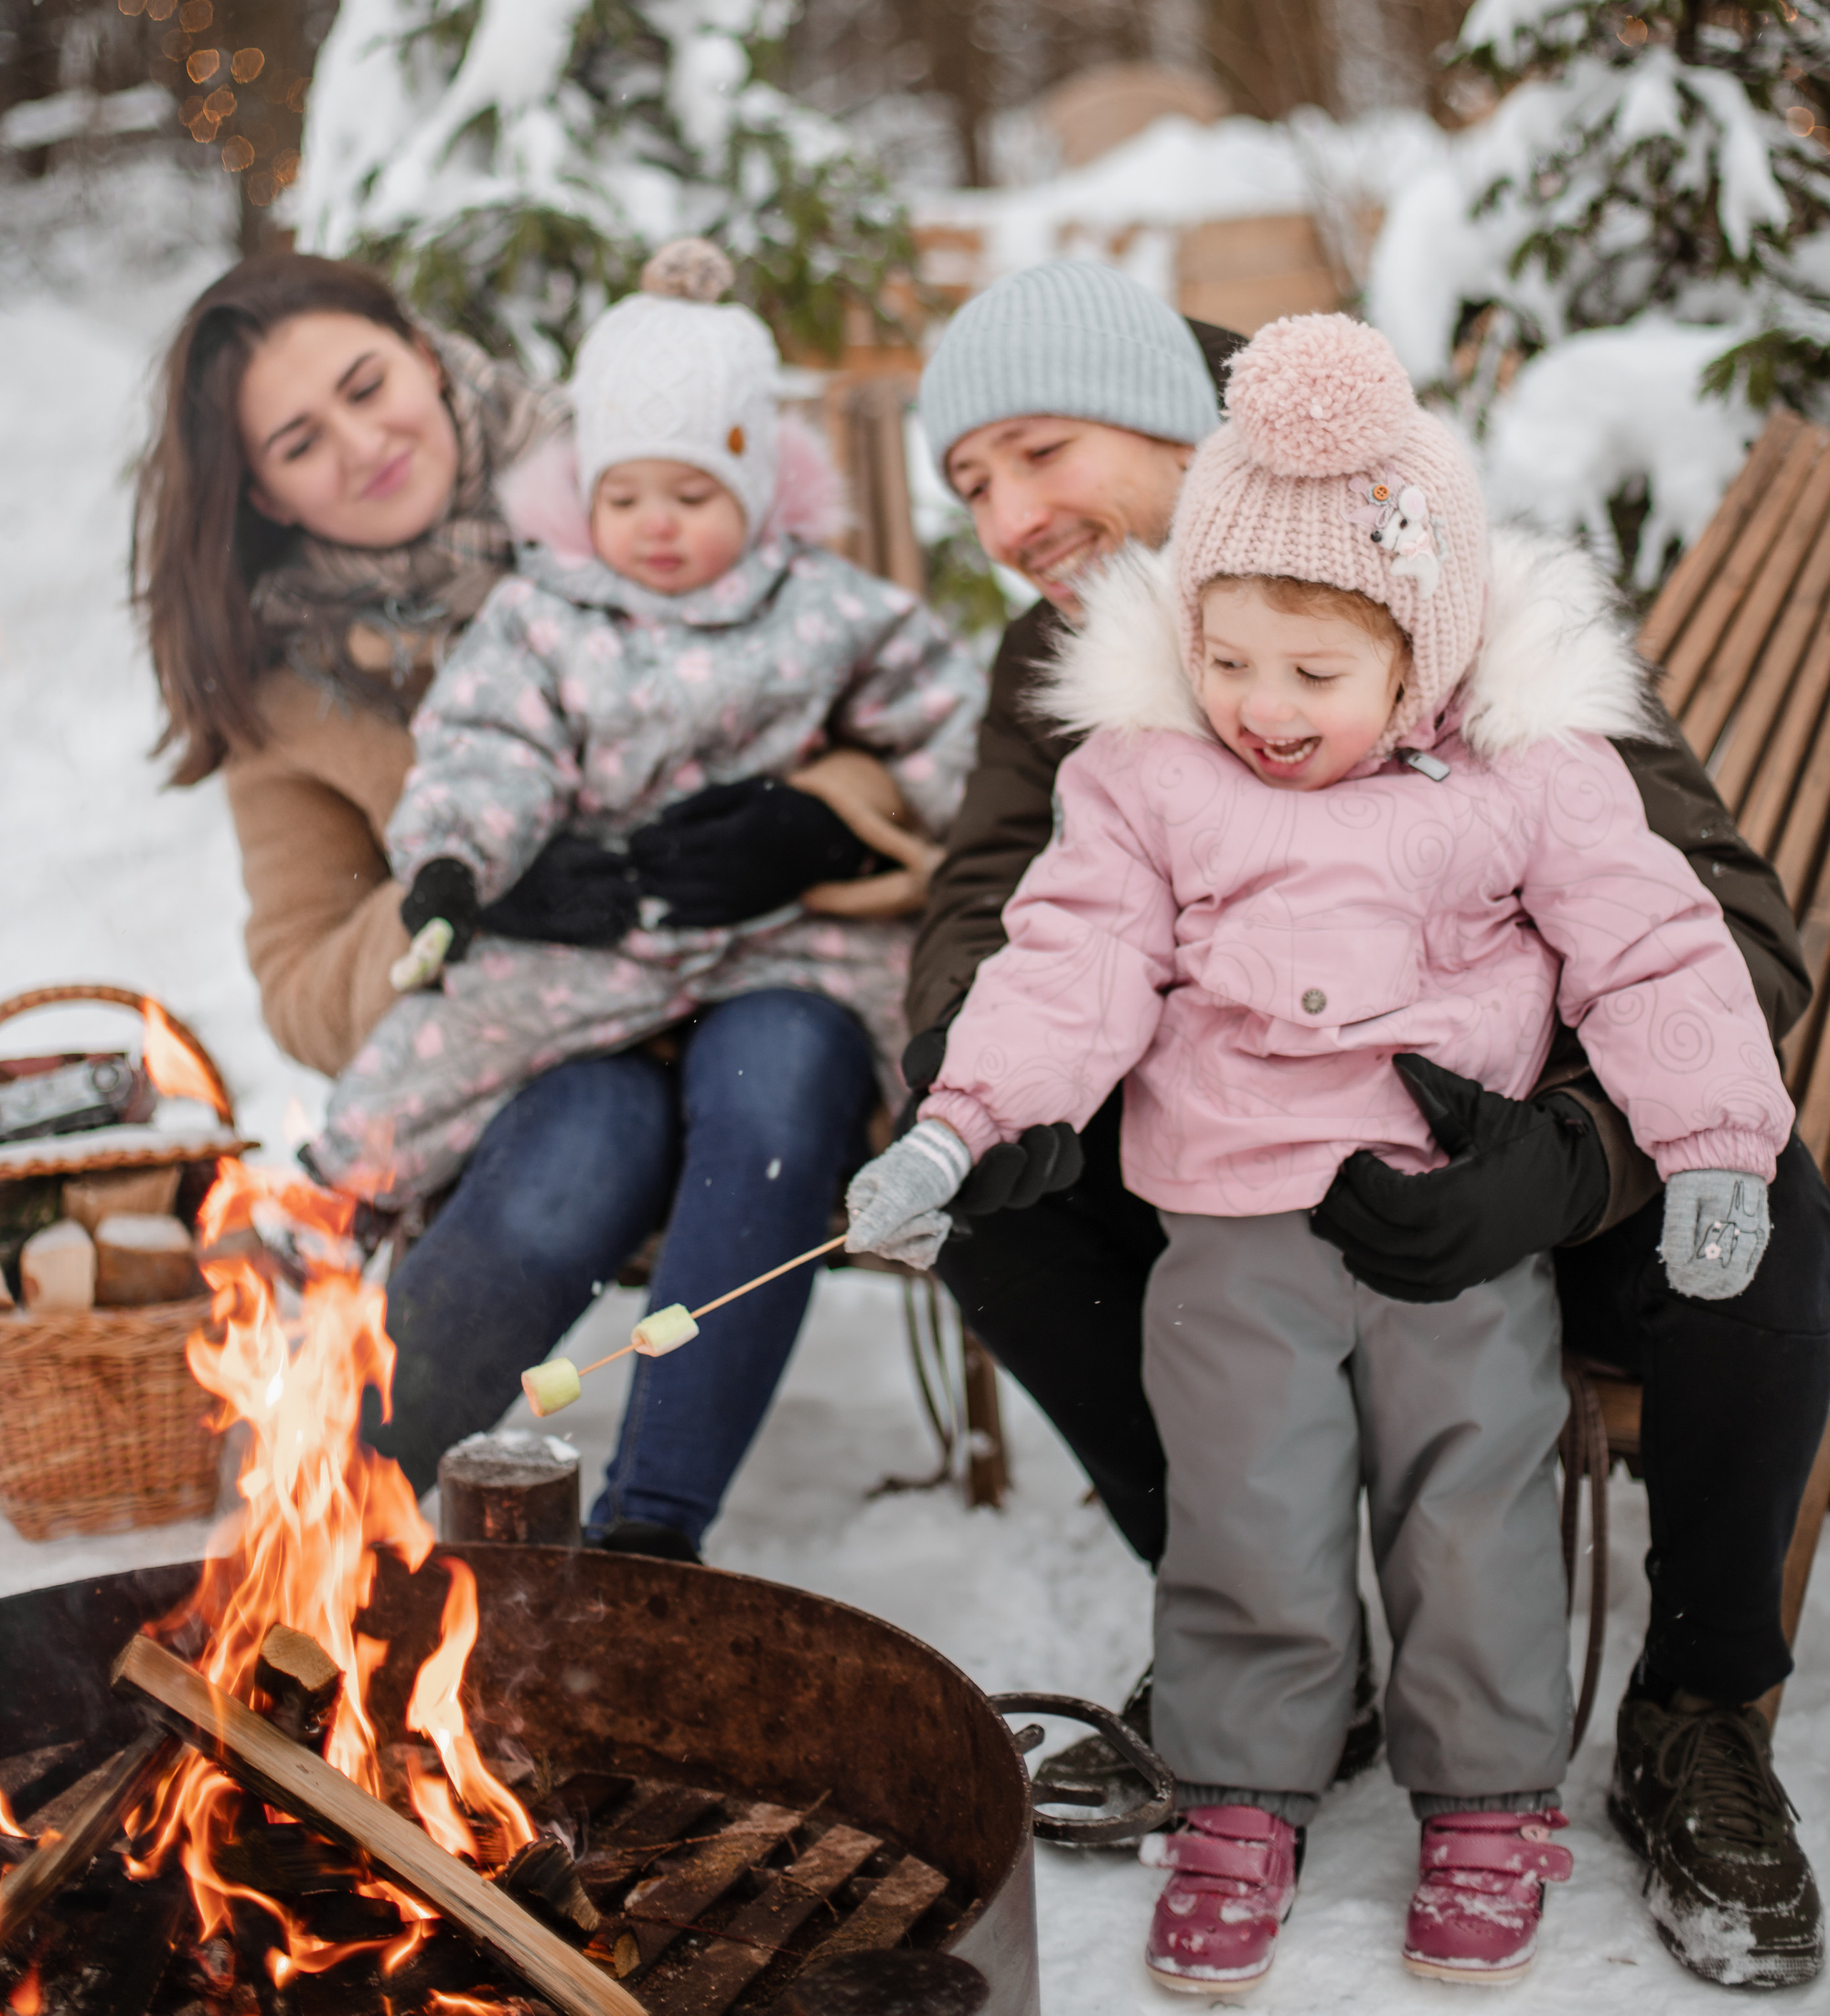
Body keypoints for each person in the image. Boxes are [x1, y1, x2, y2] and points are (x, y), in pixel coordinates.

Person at [898, 258, 1830, 1991]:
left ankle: (1695, 1714)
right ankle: (1270, 1677)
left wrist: (1569, 1157)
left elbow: (1702, 936)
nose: (1010, 520)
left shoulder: (1470, 615)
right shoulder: (1088, 666)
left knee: (1758, 1198)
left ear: (1178, 426)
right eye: (969, 485)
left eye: (1040, 452)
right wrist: (984, 1081)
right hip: (1236, 1178)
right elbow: (1005, 900)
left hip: (1499, 1157)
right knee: (1003, 1209)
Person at [132, 245, 969, 1552]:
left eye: (366, 384)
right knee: (578, 1150)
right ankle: (332, 1521)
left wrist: (812, 820)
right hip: (547, 1033)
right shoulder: (285, 689)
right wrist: (467, 898)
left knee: (778, 1078)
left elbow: (893, 702)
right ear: (259, 489)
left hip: (781, 966)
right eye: (300, 441)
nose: (361, 444)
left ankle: (652, 1544)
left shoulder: (658, 460)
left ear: (426, 355)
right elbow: (300, 985)